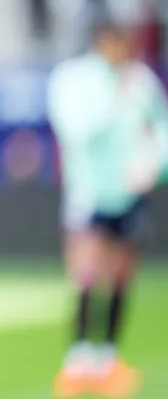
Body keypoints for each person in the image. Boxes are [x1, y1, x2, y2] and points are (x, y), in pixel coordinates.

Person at [47, 21, 168, 398]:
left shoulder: (141, 80)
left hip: (128, 192)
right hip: (90, 191)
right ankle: (78, 358)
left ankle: (108, 358)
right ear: (101, 42)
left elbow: (161, 128)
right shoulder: (75, 80)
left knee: (120, 274)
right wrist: (114, 100)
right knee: (86, 270)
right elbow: (75, 130)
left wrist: (154, 165)